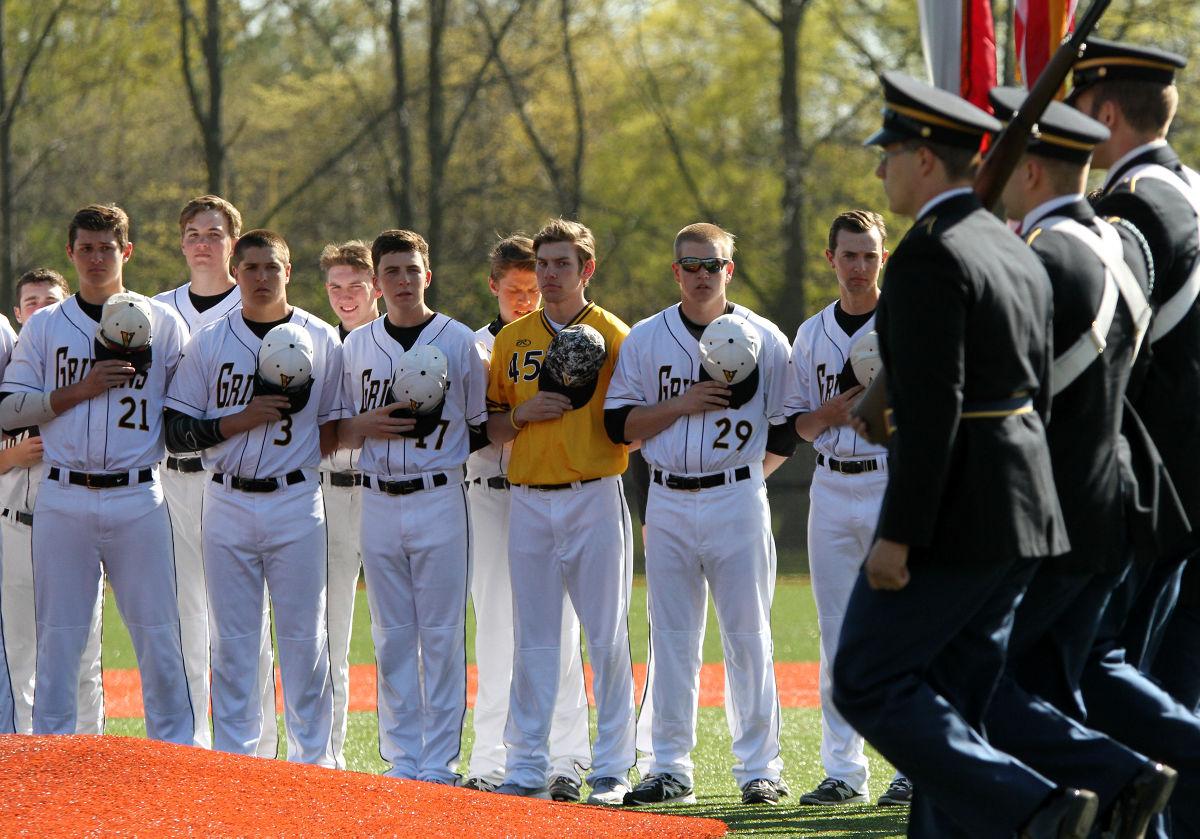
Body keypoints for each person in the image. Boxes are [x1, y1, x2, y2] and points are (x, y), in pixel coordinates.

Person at [831, 74, 1098, 838]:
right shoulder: (1011, 246)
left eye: (889, 155)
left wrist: (898, 534)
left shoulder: (927, 254)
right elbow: (1032, 390)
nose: (881, 171)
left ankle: (1036, 804)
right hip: (1023, 508)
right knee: (956, 697)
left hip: (959, 512)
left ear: (922, 158)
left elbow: (938, 409)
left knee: (864, 677)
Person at [982, 87, 1180, 837]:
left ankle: (1112, 778)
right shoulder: (1122, 243)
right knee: (1068, 680)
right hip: (1117, 499)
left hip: (1053, 508)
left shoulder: (1042, 257)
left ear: (1031, 170)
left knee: (972, 680)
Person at [605, 222, 795, 806]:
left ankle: (760, 768)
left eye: (711, 264)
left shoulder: (766, 337)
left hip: (737, 495)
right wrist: (681, 404)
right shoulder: (645, 337)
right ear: (675, 271)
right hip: (665, 495)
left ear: (728, 270)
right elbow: (619, 427)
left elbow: (786, 432)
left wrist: (738, 485)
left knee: (748, 635)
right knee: (672, 636)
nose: (701, 275)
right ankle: (667, 767)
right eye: (690, 265)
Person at [1067, 41, 1200, 838]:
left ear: (1105, 112)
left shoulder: (1134, 206)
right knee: (1174, 682)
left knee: (1108, 672)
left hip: (1154, 488)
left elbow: (1117, 357)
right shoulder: (1191, 188)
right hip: (1190, 481)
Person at [0, 204, 193, 743]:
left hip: (139, 494)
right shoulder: (45, 327)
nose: (94, 257)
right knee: (59, 636)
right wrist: (75, 391)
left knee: (158, 632)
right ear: (70, 253)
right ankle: (53, 751)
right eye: (85, 247)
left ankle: (174, 749)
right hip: (63, 493)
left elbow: (188, 407)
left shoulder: (165, 323)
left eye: (106, 247)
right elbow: (7, 409)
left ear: (126, 252)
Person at [164, 229, 344, 766]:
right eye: (251, 268)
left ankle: (315, 762)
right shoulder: (211, 341)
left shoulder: (322, 338)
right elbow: (175, 430)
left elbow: (334, 427)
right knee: (235, 640)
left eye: (272, 267)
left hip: (295, 499)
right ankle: (239, 763)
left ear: (289, 271)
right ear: (235, 274)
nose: (262, 277)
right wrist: (238, 421)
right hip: (226, 499)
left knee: (304, 637)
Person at [486, 218, 635, 804]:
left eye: (562, 265)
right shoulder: (511, 339)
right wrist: (523, 417)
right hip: (527, 498)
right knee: (536, 639)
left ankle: (612, 769)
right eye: (543, 265)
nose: (549, 275)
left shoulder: (617, 336)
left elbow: (633, 426)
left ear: (586, 270)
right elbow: (493, 424)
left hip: (594, 493)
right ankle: (525, 766)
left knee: (606, 638)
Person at [338, 229, 486, 783]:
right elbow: (334, 430)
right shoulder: (356, 347)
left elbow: (478, 427)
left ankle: (440, 762)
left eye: (411, 270)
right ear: (376, 282)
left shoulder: (459, 339)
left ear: (429, 275)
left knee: (443, 634)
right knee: (392, 633)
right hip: (376, 498)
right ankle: (403, 759)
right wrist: (362, 426)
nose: (402, 281)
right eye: (391, 272)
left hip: (441, 495)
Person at [787, 210, 911, 807]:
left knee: (907, 626)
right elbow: (798, 427)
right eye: (849, 255)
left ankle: (911, 766)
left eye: (869, 254)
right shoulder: (810, 334)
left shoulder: (909, 322)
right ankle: (843, 771)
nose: (859, 266)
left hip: (894, 480)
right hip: (832, 487)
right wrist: (832, 414)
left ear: (883, 258)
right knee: (836, 632)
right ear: (830, 259)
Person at [461, 235, 591, 799]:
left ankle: (568, 758)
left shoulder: (569, 340)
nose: (524, 298)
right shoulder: (471, 346)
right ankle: (490, 759)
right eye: (514, 288)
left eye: (532, 288)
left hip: (545, 490)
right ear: (493, 286)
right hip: (489, 491)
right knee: (493, 626)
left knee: (557, 629)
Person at [154, 195, 278, 755]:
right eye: (194, 233)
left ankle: (258, 742)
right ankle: (193, 745)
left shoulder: (257, 306)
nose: (204, 241)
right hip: (172, 477)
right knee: (184, 610)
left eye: (215, 232)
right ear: (182, 243)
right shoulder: (155, 311)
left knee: (246, 612)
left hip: (238, 475)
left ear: (234, 241)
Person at [0, 268, 104, 735]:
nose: (40, 306)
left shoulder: (87, 376)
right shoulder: (8, 376)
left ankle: (88, 757)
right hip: (14, 527)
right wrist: (10, 457)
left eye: (50, 299)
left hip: (72, 525)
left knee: (84, 653)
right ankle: (22, 760)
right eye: (31, 300)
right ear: (19, 314)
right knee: (17, 656)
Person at [318, 240, 380, 768]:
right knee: (330, 626)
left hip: (391, 492)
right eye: (335, 286)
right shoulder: (317, 347)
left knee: (399, 627)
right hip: (330, 495)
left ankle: (411, 758)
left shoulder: (403, 347)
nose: (344, 296)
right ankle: (329, 754)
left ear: (376, 287)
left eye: (355, 285)